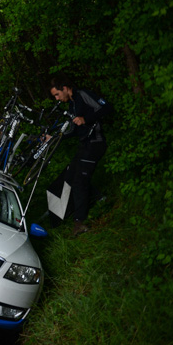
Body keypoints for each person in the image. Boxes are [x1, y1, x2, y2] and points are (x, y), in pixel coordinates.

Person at [46, 76, 113, 236]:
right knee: (70, 175)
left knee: (79, 181)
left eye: (57, 94)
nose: (57, 98)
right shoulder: (71, 104)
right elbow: (74, 130)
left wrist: (86, 119)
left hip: (95, 143)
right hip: (84, 145)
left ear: (65, 88)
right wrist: (54, 138)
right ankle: (100, 199)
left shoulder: (83, 95)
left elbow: (107, 108)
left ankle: (79, 222)